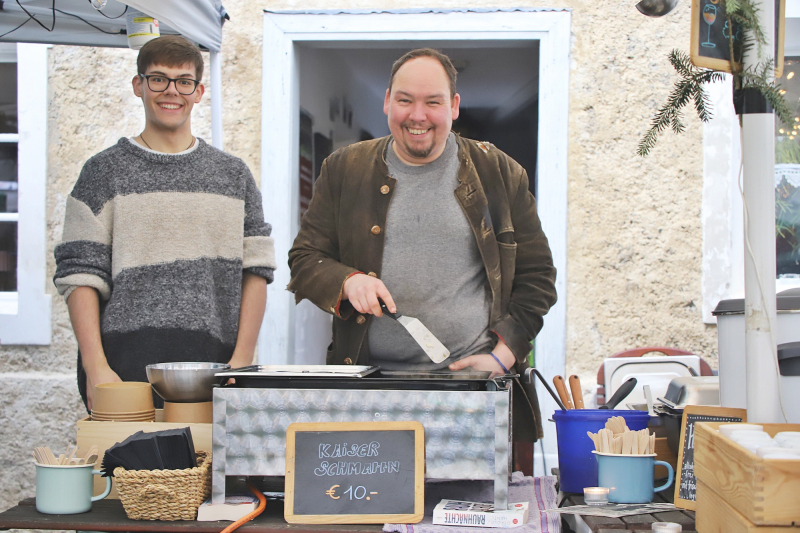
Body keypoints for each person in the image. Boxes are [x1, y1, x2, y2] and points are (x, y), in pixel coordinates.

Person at [287, 48, 557, 442]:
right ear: (387, 102)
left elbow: (538, 277)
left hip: (471, 393)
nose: (418, 116)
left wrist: (503, 356)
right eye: (405, 100)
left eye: (433, 102)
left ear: (454, 106)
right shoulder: (344, 169)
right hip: (367, 392)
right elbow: (304, 259)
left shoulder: (497, 171)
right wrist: (346, 281)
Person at [53, 35, 276, 411]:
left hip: (216, 371)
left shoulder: (233, 175)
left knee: (207, 455)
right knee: (124, 455)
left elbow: (256, 270)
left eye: (184, 81)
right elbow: (79, 275)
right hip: (121, 371)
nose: (171, 91)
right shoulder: (102, 172)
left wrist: (242, 361)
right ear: (138, 85)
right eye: (158, 79)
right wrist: (95, 367)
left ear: (199, 91)